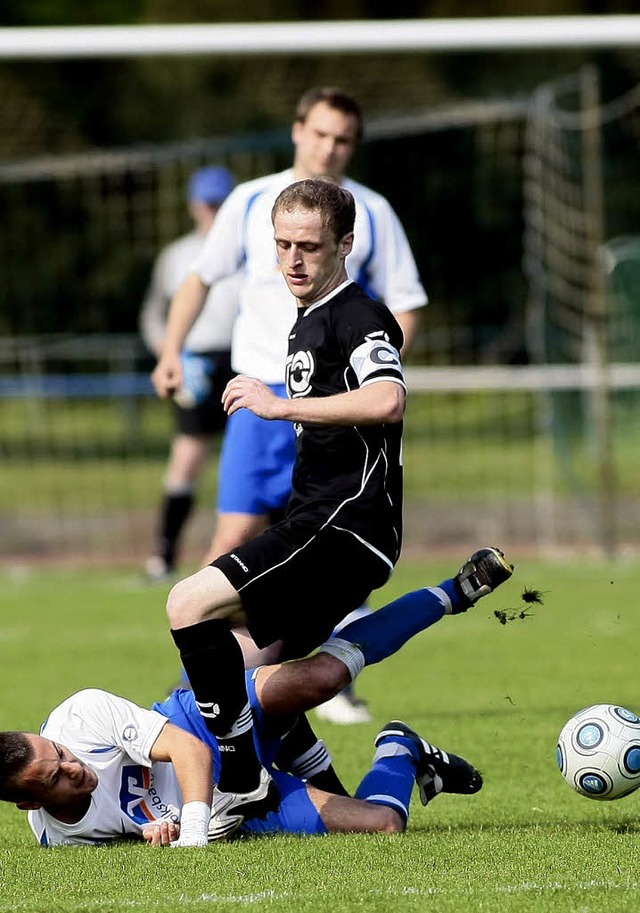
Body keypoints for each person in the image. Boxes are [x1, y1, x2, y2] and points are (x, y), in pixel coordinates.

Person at [159, 179, 515, 840]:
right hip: (340, 528)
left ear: (346, 244)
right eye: (283, 246)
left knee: (187, 604)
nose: (293, 260)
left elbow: (387, 399)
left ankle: (240, 781)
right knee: (243, 670)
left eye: (309, 247)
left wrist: (279, 403)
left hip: (341, 523)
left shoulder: (357, 315)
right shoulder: (306, 321)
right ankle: (364, 775)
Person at [152, 87, 428, 724]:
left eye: (343, 139)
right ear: (297, 130)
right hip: (260, 396)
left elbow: (397, 340)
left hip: (309, 407)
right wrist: (173, 349)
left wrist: (364, 361)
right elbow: (202, 276)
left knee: (322, 546)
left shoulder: (373, 224)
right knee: (239, 554)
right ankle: (213, 695)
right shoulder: (252, 201)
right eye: (320, 134)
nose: (329, 148)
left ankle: (225, 713)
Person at [0, 545, 514, 847]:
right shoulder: (60, 836)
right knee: (382, 824)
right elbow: (139, 826)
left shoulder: (77, 716)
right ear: (30, 801)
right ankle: (401, 748)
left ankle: (454, 590)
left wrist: (192, 833)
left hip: (203, 725)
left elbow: (188, 750)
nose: (72, 766)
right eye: (55, 777)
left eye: (60, 756)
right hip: (234, 808)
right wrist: (163, 830)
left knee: (320, 680)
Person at [140, 165, 239, 584]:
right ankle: (164, 556)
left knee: (252, 462)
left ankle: (258, 554)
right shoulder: (178, 255)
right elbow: (153, 315)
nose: (213, 212)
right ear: (194, 205)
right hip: (195, 363)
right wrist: (171, 355)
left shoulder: (254, 250)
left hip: (243, 362)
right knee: (186, 458)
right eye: (207, 204)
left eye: (221, 203)